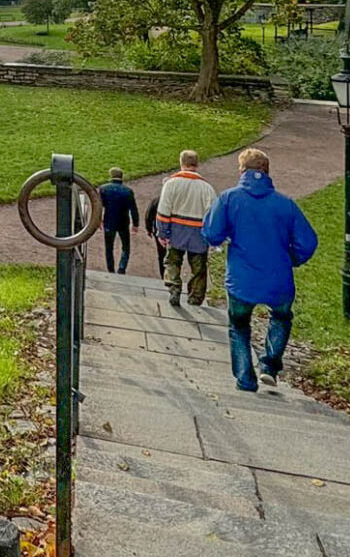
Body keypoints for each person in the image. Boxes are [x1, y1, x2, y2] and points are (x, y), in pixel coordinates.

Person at [201, 147, 317, 392]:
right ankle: (270, 365)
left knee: (239, 325)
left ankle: (245, 377)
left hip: (242, 277)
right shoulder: (286, 205)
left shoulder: (229, 198)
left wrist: (224, 239)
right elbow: (308, 242)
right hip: (279, 276)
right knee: (281, 317)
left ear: (242, 170)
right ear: (267, 171)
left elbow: (211, 233)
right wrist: (293, 258)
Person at [154, 149, 219, 309]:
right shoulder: (207, 188)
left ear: (181, 163)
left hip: (176, 230)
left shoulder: (171, 184)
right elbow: (213, 215)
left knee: (172, 261)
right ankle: (195, 297)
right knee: (198, 268)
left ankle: (174, 287)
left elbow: (163, 210)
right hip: (198, 232)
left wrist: (162, 232)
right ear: (197, 164)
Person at [97, 166, 139, 274]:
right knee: (125, 247)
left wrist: (98, 219)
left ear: (111, 176)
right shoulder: (128, 191)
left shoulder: (104, 189)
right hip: (123, 222)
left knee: (109, 247)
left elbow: (99, 206)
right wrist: (135, 224)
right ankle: (121, 267)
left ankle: (110, 269)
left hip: (109, 221)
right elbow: (133, 208)